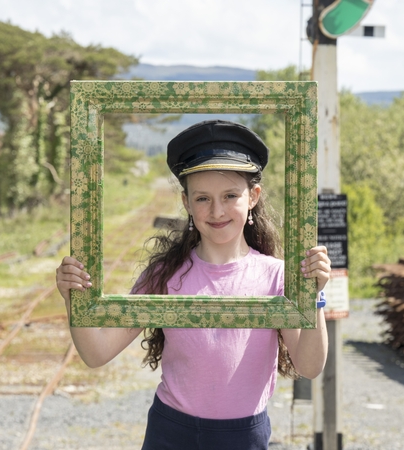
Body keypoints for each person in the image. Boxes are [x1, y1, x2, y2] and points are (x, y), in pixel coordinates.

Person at [55, 120, 330, 449]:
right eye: (202, 198)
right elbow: (96, 352)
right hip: (171, 433)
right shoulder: (165, 275)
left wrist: (314, 295)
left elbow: (310, 366)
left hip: (244, 437)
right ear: (186, 202)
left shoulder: (277, 276)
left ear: (253, 196)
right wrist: (74, 298)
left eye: (230, 196)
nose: (217, 211)